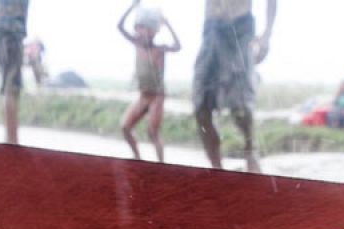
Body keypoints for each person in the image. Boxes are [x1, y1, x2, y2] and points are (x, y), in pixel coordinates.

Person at [193, 0, 276, 173]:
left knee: (240, 105)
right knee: (200, 106)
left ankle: (250, 150)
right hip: (211, 28)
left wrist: (267, 35)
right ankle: (217, 169)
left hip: (240, 26)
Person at [116, 3, 180, 163]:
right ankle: (137, 159)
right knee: (125, 127)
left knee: (152, 131)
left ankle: (161, 165)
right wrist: (132, 7)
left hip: (157, 96)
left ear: (152, 32)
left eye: (143, 29)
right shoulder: (137, 45)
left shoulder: (159, 49)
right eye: (137, 29)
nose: (139, 32)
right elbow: (120, 26)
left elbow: (178, 46)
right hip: (143, 96)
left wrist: (167, 23)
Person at [0, 0, 27, 144]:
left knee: (8, 86)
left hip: (0, 30)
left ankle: (10, 140)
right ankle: (12, 142)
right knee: (11, 88)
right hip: (12, 31)